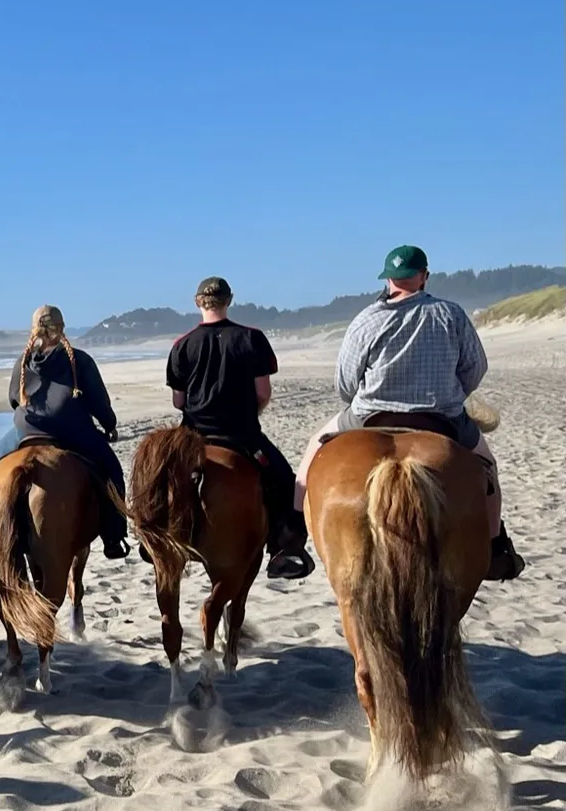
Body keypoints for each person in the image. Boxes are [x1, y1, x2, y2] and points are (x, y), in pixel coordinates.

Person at [294, 245, 522, 580]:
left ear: (388, 279)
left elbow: (344, 385)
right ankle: (494, 544)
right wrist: (453, 394)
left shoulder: (367, 319)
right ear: (424, 276)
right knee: (487, 468)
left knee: (314, 450)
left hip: (370, 414)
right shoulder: (451, 314)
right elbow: (475, 369)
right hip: (440, 415)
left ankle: (294, 538)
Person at [166, 277, 314, 579]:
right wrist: (249, 413)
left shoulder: (182, 345)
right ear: (229, 300)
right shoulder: (252, 338)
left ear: (197, 302)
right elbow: (263, 394)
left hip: (193, 435)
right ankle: (285, 548)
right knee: (285, 481)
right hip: (242, 434)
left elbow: (178, 401)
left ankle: (154, 536)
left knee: (158, 478)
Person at [0, 306, 129, 559]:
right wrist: (109, 424)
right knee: (112, 470)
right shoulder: (80, 360)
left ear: (33, 330)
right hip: (72, 430)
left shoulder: (23, 362)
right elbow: (98, 402)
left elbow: (14, 400)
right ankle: (114, 535)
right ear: (62, 328)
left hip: (27, 429)